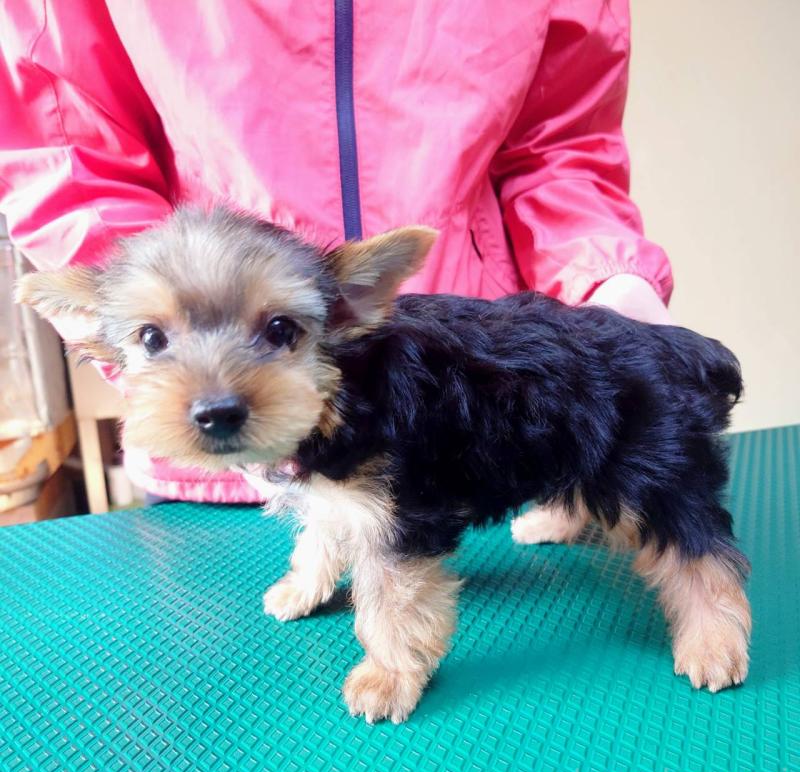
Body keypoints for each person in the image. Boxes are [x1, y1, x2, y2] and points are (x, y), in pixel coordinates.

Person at [0, 0, 674, 504]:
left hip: (471, 411)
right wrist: (144, 335)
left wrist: (605, 281)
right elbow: (67, 146)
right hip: (214, 474)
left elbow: (560, 147)